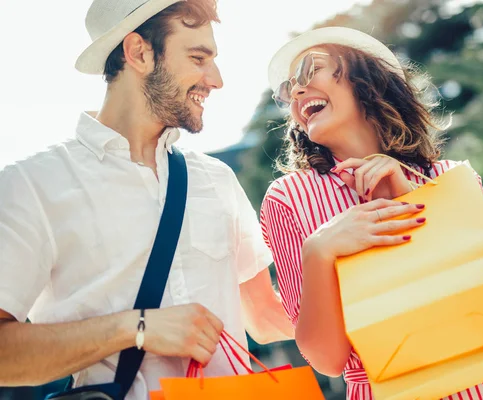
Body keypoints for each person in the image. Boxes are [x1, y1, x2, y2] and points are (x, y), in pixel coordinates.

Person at [0, 0, 293, 398]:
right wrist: (135, 328)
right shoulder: (31, 186)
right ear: (139, 52)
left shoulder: (216, 180)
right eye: (198, 57)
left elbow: (266, 317)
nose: (217, 79)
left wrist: (338, 256)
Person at [260, 27, 483, 400]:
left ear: (367, 79)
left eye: (309, 71)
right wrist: (319, 250)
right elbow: (327, 360)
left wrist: (411, 196)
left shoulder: (453, 177)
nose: (296, 91)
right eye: (287, 89)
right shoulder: (289, 198)